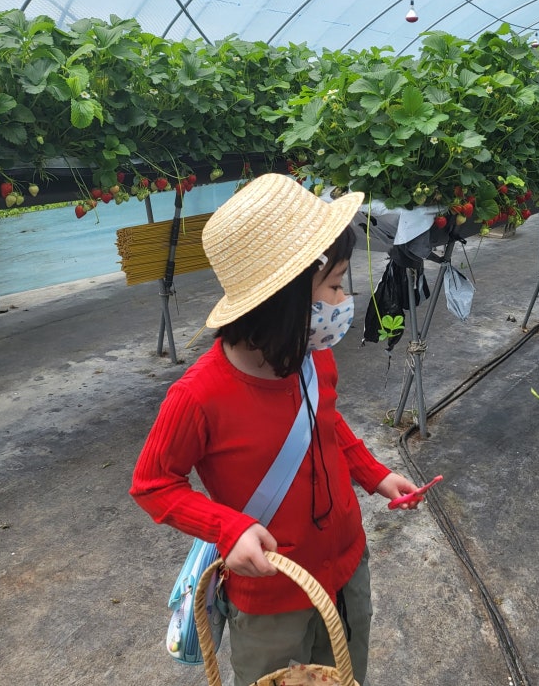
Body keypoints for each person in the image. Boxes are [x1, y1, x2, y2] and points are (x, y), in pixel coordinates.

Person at [129, 173, 421, 686]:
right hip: (271, 595)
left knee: (347, 674)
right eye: (333, 285)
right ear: (283, 299)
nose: (343, 299)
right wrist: (229, 528)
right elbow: (153, 484)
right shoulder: (199, 396)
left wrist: (374, 474)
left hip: (346, 568)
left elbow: (326, 424)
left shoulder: (312, 360)